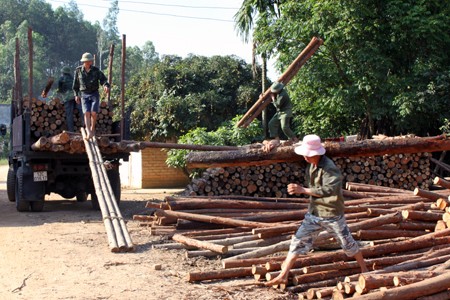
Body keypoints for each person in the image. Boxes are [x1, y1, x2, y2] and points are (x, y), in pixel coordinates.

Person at [265, 134, 368, 287]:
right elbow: (289, 145)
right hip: (314, 213)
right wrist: (274, 142)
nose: (305, 157)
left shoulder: (329, 168)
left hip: (331, 213)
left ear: (317, 154)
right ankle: (283, 275)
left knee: (347, 243)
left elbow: (329, 190)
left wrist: (303, 190)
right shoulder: (309, 162)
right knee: (297, 241)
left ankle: (365, 271)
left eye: (308, 155)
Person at [73, 52, 110, 139]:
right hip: (84, 94)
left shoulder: (96, 71)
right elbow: (75, 85)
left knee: (93, 113)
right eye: (87, 61)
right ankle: (88, 130)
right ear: (84, 62)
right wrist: (76, 95)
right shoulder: (78, 71)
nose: (89, 62)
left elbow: (103, 80)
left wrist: (106, 86)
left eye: (90, 61)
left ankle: (92, 129)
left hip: (94, 94)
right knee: (86, 112)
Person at [262, 81, 298, 152]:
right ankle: (277, 139)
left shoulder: (283, 95)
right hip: (280, 112)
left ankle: (294, 138)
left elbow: (277, 105)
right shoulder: (278, 93)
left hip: (286, 112)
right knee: (271, 124)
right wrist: (263, 96)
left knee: (284, 127)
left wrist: (272, 98)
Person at [56, 66, 82, 132]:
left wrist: (62, 98)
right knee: (82, 112)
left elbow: (60, 90)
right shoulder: (73, 78)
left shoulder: (61, 79)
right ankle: (85, 127)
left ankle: (71, 131)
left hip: (67, 98)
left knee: (69, 115)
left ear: (63, 72)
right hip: (77, 96)